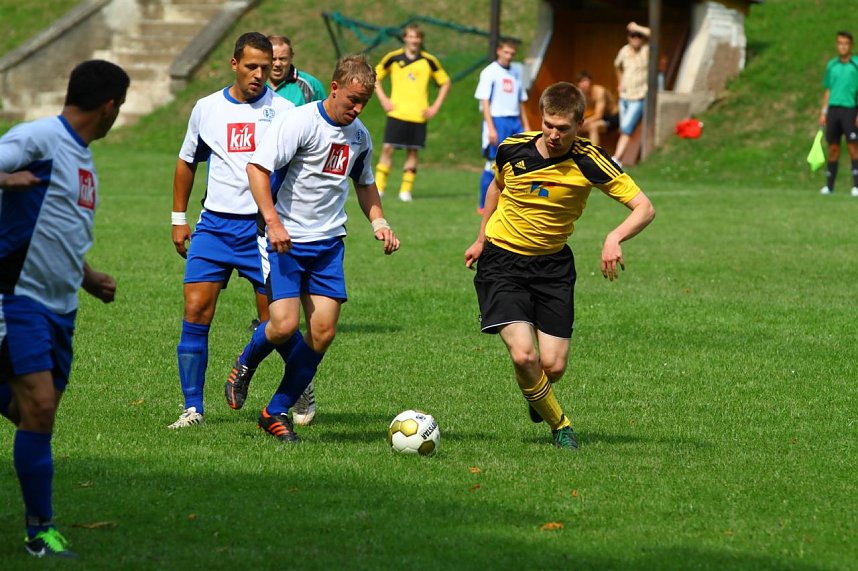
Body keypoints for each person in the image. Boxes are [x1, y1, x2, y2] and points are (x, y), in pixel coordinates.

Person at [463, 82, 655, 451]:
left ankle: (538, 394)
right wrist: (481, 239)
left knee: (553, 367)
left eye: (563, 128)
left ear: (580, 123)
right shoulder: (512, 147)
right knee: (524, 354)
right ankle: (561, 425)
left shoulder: (590, 161)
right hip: (502, 261)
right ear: (541, 118)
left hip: (552, 267)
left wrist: (614, 238)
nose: (553, 134)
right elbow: (497, 188)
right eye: (548, 124)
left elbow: (644, 208)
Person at [225, 54, 399, 441]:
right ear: (334, 87)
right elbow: (257, 168)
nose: (356, 109)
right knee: (284, 325)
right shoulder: (299, 122)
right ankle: (245, 362)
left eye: (364, 103)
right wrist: (272, 222)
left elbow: (365, 182)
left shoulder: (360, 136)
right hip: (285, 240)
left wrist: (380, 221)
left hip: (328, 244)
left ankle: (276, 410)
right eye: (352, 99)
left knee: (322, 333)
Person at [0, 60, 129, 558]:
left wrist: (88, 276)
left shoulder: (82, 159)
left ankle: (39, 531)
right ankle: (40, 534)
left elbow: (57, 230)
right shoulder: (39, 138)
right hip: (17, 295)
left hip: (61, 304)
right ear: (110, 107)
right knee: (40, 408)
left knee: (32, 412)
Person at [169, 32, 293, 429]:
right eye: (252, 66)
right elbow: (187, 161)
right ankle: (193, 409)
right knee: (195, 311)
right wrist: (178, 218)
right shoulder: (206, 109)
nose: (260, 74)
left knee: (276, 321)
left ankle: (297, 389)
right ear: (234, 64)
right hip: (215, 227)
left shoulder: (286, 110)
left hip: (262, 231)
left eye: (266, 66)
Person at [373, 24, 451, 202]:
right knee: (387, 148)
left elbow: (445, 82)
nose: (414, 40)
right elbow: (374, 76)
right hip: (397, 113)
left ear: (421, 40)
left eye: (417, 37)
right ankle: (379, 188)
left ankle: (405, 191)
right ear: (404, 38)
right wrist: (384, 99)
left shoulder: (429, 60)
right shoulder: (393, 58)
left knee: (413, 152)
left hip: (418, 115)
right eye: (410, 36)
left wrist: (435, 106)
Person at [474, 38, 531, 214]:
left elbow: (521, 101)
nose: (509, 56)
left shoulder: (516, 72)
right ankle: (483, 205)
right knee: (493, 163)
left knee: (520, 161)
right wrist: (491, 128)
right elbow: (485, 101)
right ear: (499, 51)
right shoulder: (489, 72)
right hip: (498, 120)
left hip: (515, 121)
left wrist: (526, 125)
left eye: (512, 53)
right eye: (506, 52)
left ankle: (513, 201)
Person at [819, 30, 858, 196]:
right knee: (833, 148)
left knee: (853, 147)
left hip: (850, 109)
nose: (842, 46)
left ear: (851, 45)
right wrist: (824, 112)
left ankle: (856, 186)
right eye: (840, 43)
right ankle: (829, 186)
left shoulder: (856, 64)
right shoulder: (831, 65)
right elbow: (828, 89)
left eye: (846, 43)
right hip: (833, 110)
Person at [613, 21, 651, 165]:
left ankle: (616, 158)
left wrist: (636, 27)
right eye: (632, 35)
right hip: (624, 96)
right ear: (628, 37)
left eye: (638, 36)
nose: (635, 38)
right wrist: (620, 82)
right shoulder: (624, 50)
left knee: (626, 128)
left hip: (639, 96)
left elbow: (655, 35)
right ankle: (620, 158)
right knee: (623, 128)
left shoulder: (646, 50)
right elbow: (616, 65)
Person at [267, 35, 327, 107]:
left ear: (291, 57)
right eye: (273, 59)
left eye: (282, 59)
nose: (277, 64)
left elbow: (324, 115)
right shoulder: (254, 83)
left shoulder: (311, 85)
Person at [576, 70, 620, 147]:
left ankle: (594, 155)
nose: (583, 84)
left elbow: (598, 115)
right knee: (575, 127)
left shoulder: (600, 91)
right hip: (602, 118)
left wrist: (583, 122)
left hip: (614, 117)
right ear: (578, 84)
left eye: (585, 81)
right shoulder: (580, 94)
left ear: (590, 82)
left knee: (593, 126)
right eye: (581, 82)